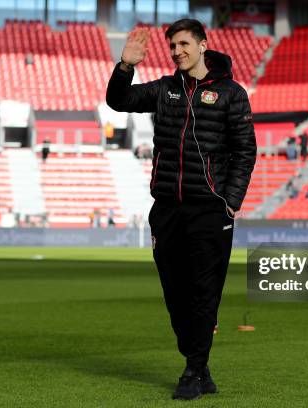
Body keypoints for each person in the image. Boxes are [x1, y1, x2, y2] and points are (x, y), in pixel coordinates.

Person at [106, 19, 256, 400]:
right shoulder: (164, 89)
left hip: (210, 211)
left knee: (205, 292)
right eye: (173, 46)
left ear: (204, 45)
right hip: (167, 210)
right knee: (175, 293)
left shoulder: (232, 94)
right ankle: (200, 366)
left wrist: (231, 202)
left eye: (185, 44)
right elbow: (118, 101)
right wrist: (126, 66)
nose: (178, 52)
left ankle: (192, 370)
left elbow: (245, 152)